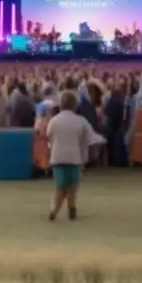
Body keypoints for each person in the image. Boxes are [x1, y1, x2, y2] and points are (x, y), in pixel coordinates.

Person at [46, 91, 94, 221]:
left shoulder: (54, 121)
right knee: (73, 185)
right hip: (74, 157)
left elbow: (49, 136)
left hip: (57, 157)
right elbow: (86, 140)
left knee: (60, 185)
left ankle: (54, 209)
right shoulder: (81, 121)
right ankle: (71, 207)